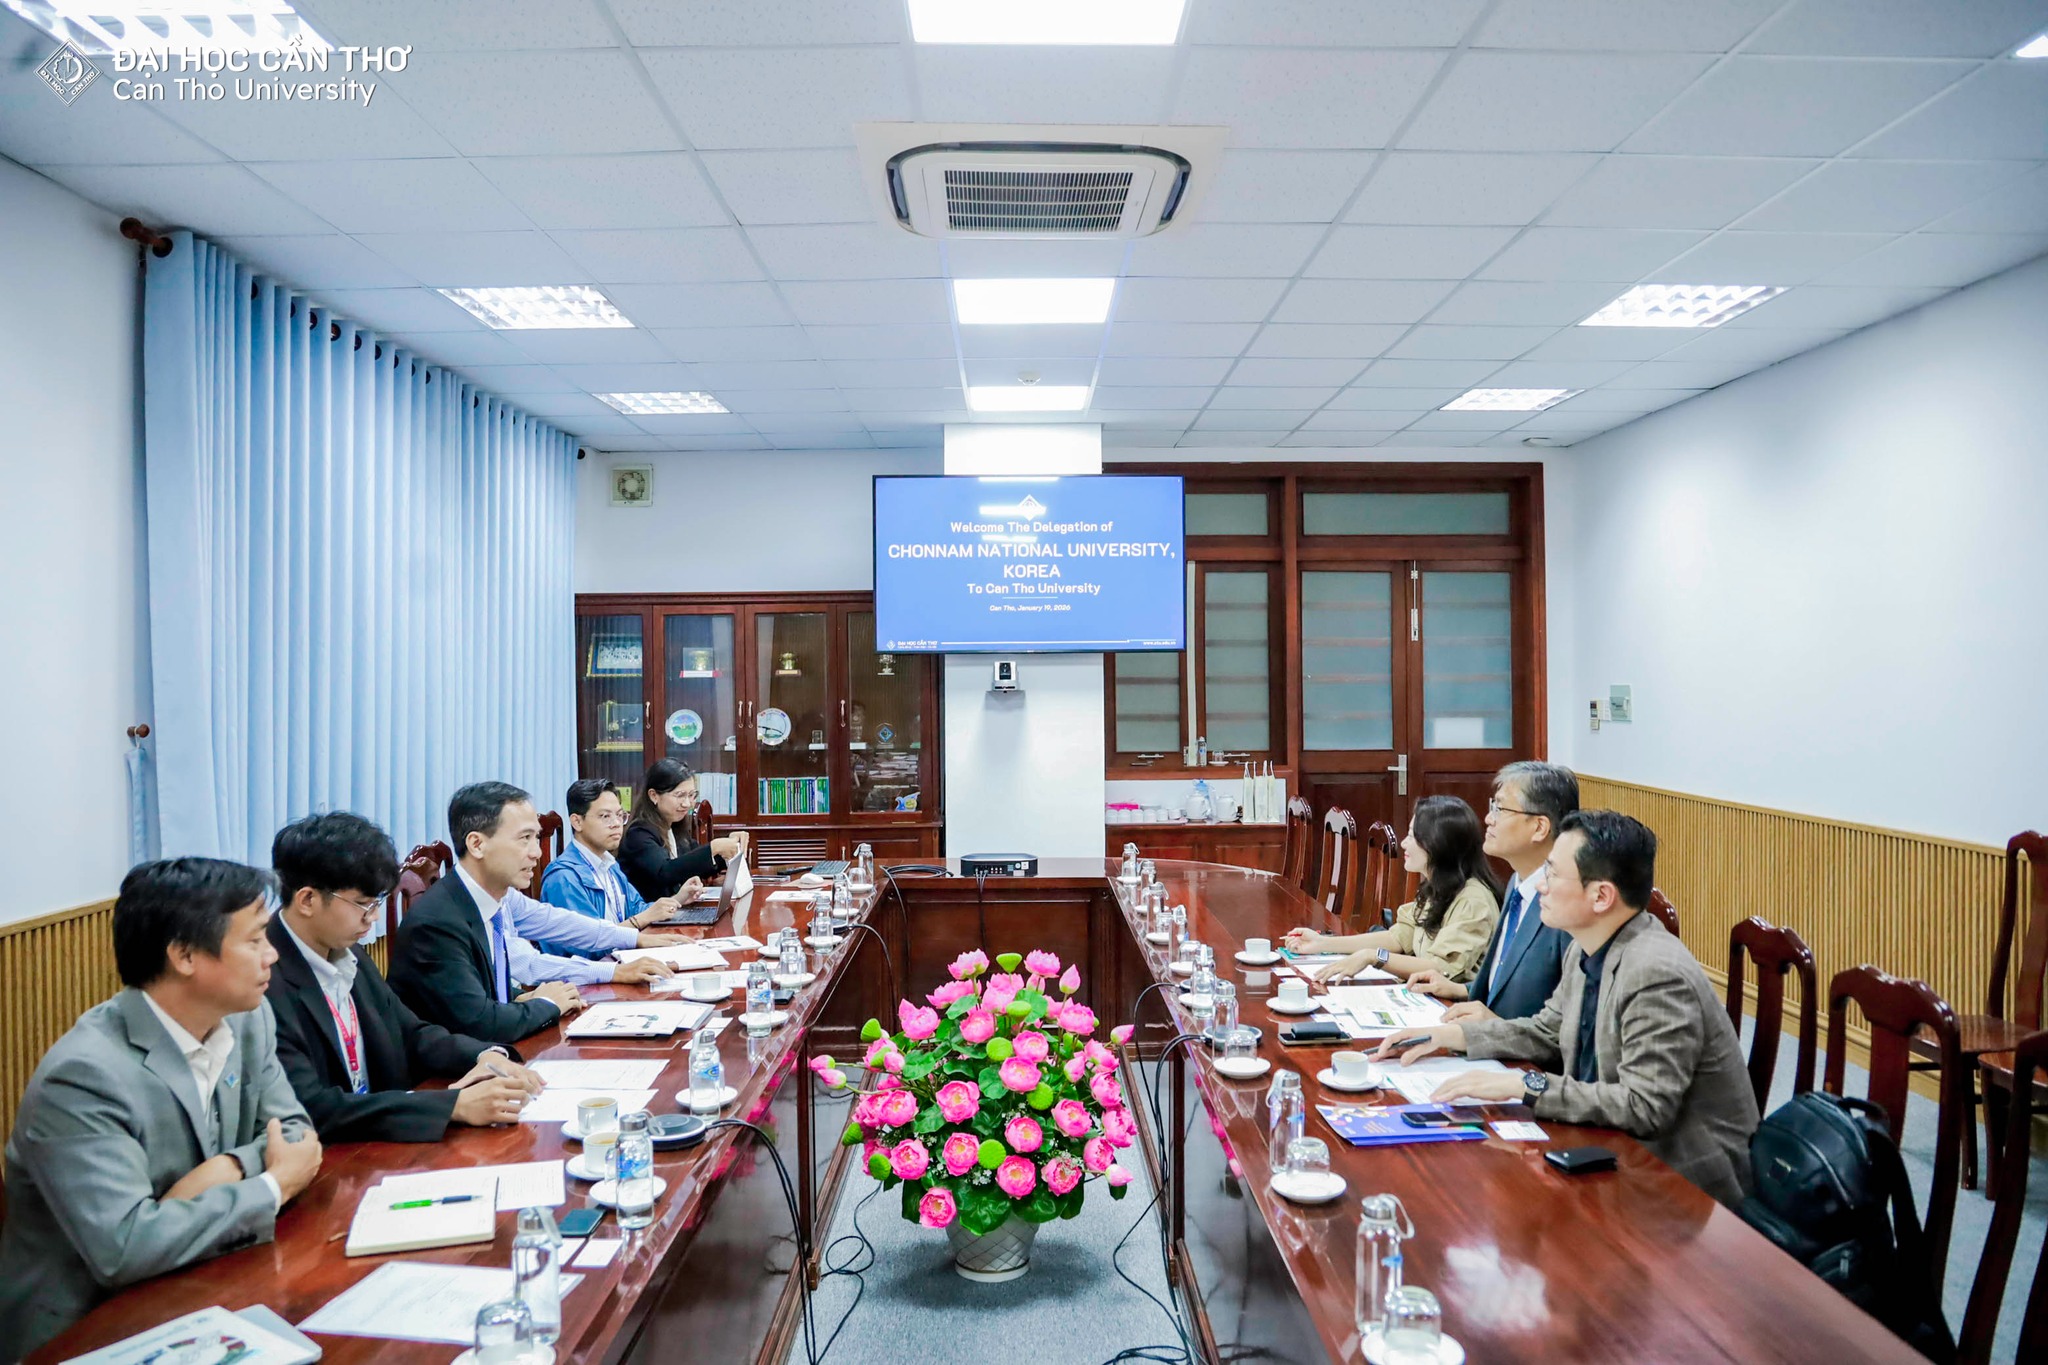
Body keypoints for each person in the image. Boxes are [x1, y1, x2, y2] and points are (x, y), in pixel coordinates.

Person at [0, 859, 323, 1358]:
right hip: (89, 1329)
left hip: (204, 1285)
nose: (272, 955)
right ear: (185, 955)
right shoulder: (85, 1075)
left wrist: (228, 1167)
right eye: (255, 939)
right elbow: (125, 1247)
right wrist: (270, 1186)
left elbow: (296, 1132)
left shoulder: (248, 1019)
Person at [1373, 811, 1760, 1208]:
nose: (1541, 884)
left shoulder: (1655, 972)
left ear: (1601, 896)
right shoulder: (1585, 946)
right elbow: (1547, 1031)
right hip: (1604, 1143)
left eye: (1553, 874)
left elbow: (1644, 1107)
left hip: (1681, 1185)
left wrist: (1525, 1085)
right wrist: (1451, 1036)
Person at [268, 811, 545, 1143]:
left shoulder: (346, 951)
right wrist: (452, 1106)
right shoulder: (265, 980)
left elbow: (411, 1033)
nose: (372, 918)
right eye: (363, 904)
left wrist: (485, 1055)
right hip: (328, 1153)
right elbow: (315, 1107)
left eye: (377, 903)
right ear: (307, 900)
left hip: (379, 1143)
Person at [388, 783, 683, 1046]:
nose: (537, 852)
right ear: (477, 844)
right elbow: (481, 1020)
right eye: (524, 839)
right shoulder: (439, 923)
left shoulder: (500, 895)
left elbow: (556, 922)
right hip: (454, 1069)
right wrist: (548, 1002)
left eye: (536, 837)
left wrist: (633, 938)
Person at [1405, 760, 1576, 1022]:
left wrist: (1494, 1025)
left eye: (1500, 808)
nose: (1488, 818)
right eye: (1491, 807)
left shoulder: (1568, 905)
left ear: (1539, 827)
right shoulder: (1518, 883)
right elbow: (1504, 981)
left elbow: (1567, 1021)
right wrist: (1460, 989)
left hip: (1518, 1046)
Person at [1282, 796, 1501, 984]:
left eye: (1412, 836)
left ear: (1438, 844)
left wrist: (1374, 957)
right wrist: (1323, 944)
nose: (1404, 843)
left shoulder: (1473, 900)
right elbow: (1398, 938)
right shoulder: (1438, 886)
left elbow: (1441, 969)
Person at [539, 777, 703, 947]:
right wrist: (641, 920)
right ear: (577, 822)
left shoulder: (609, 865)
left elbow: (636, 909)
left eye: (619, 815)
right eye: (605, 816)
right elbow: (585, 945)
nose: (616, 824)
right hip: (592, 963)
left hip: (620, 956)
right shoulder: (564, 878)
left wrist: (677, 899)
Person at [618, 759, 748, 903]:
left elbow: (692, 865)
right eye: (680, 795)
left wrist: (730, 846)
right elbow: (664, 872)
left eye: (691, 795)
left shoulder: (675, 826)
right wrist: (714, 848)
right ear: (654, 795)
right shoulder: (638, 833)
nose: (687, 804)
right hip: (650, 913)